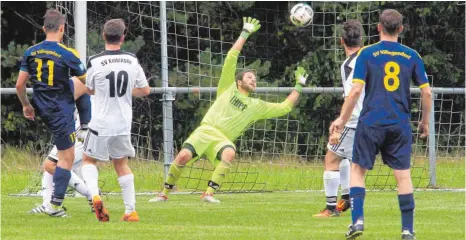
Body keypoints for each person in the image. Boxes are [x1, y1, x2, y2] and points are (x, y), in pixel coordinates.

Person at [149, 17, 309, 203]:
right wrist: (245, 33)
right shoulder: (227, 87)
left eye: (255, 79)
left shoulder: (256, 106)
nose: (253, 80)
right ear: (239, 81)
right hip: (206, 130)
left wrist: (298, 85)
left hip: (222, 139)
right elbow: (231, 58)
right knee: (183, 156)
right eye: (249, 77)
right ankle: (164, 193)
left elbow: (285, 107)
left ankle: (208, 194)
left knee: (229, 153)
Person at [329, 9, 432, 240]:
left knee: (357, 170)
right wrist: (424, 122)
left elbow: (355, 91)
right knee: (403, 176)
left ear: (378, 27)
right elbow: (427, 94)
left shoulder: (367, 53)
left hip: (371, 122)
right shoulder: (411, 55)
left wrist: (341, 120)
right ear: (401, 29)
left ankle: (357, 221)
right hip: (399, 123)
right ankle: (407, 230)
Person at [16, 9, 89, 217]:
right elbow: (88, 84)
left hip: (42, 107)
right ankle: (55, 206)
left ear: (43, 28)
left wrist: (26, 105)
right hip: (61, 111)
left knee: (55, 159)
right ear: (62, 29)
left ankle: (51, 201)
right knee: (65, 159)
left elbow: (20, 85)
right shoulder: (68, 54)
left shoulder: (31, 52)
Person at [82, 19, 150, 222]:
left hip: (101, 123)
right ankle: (131, 211)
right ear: (123, 37)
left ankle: (95, 195)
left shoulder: (94, 61)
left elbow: (89, 89)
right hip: (123, 123)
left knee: (88, 160)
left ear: (104, 35)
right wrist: (127, 92)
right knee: (121, 164)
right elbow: (145, 90)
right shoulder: (131, 59)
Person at [313, 19, 364, 218]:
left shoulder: (349, 65)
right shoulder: (369, 57)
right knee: (345, 158)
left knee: (331, 158)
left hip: (355, 120)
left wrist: (341, 123)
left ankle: (331, 208)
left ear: (341, 41)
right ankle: (348, 198)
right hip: (373, 119)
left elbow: (353, 94)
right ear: (361, 40)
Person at [28, 110, 93, 214]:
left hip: (85, 131)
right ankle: (47, 204)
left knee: (52, 165)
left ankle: (93, 195)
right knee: (48, 165)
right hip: (77, 130)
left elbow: (80, 97)